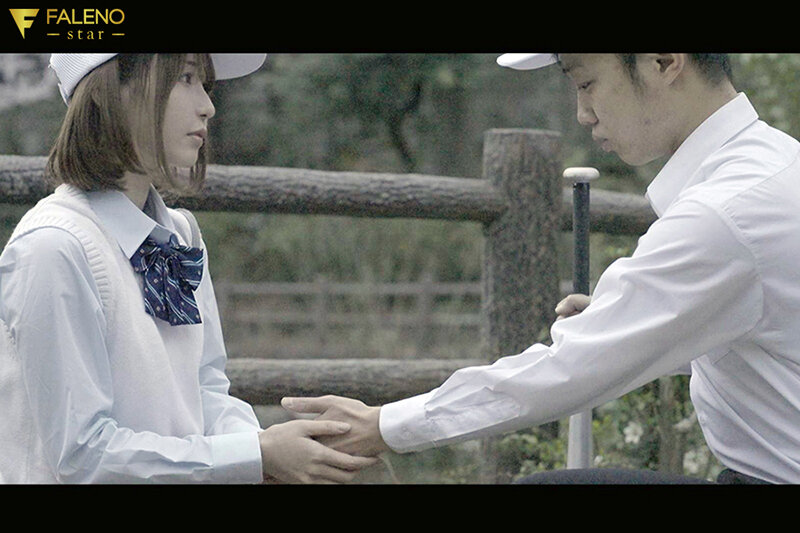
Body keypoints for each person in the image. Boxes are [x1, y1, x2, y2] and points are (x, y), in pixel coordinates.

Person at [282, 53, 800, 484]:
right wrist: (633, 318)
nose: (583, 113)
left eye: (587, 83)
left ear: (663, 61)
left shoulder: (723, 212)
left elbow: (570, 369)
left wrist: (383, 425)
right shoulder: (776, 163)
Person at [0, 53, 376, 484]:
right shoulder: (53, 247)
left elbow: (206, 388)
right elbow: (82, 455)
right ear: (113, 89)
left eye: (204, 84)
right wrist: (255, 455)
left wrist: (261, 449)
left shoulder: (179, 234)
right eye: (185, 78)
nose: (207, 106)